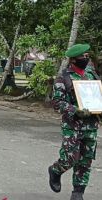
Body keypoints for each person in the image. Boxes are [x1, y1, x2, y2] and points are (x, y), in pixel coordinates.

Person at [48, 44, 100, 200]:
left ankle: (78, 192)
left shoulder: (91, 75)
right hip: (73, 125)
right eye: (83, 56)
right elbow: (57, 102)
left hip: (91, 125)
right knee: (69, 158)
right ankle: (55, 171)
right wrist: (75, 110)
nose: (86, 58)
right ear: (73, 60)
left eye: (87, 55)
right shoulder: (63, 77)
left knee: (85, 161)